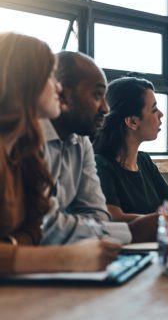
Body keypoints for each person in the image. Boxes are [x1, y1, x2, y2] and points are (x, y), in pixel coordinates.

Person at [0, 32, 120, 274]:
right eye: (48, 76)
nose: (58, 86)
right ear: (23, 82)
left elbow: (34, 229)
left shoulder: (23, 153)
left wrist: (13, 247)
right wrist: (65, 258)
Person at [41, 51, 157, 245]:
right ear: (62, 94)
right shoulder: (26, 138)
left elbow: (98, 217)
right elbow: (43, 226)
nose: (105, 108)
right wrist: (132, 231)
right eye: (97, 95)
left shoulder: (82, 141)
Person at [93, 76, 168, 218]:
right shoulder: (100, 165)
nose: (161, 114)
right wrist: (165, 218)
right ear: (132, 122)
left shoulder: (144, 160)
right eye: (154, 110)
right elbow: (116, 219)